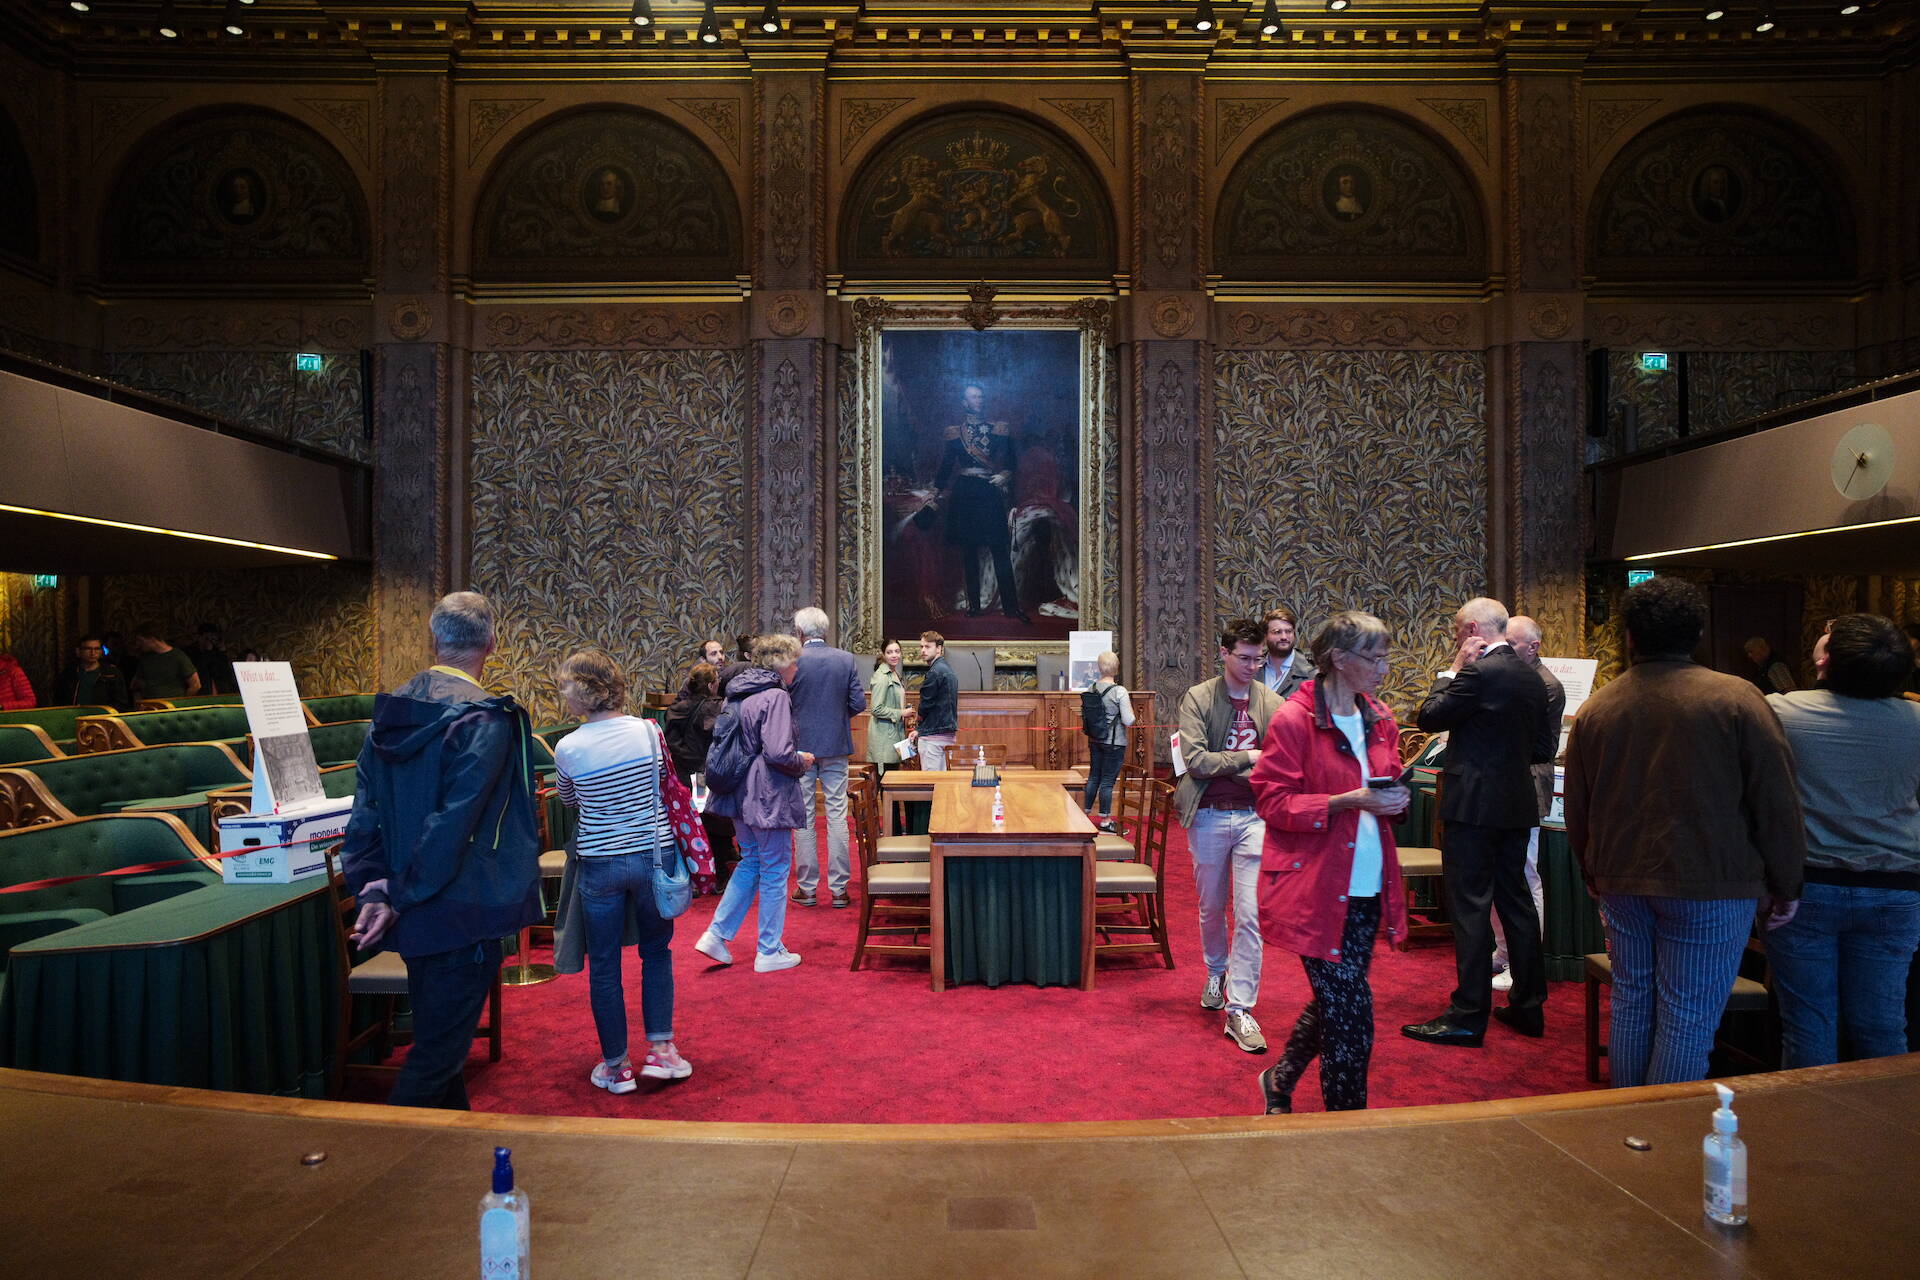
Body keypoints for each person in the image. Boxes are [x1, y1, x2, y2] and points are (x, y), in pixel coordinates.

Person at [1565, 576, 1805, 1087]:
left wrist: (1591, 869)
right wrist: (1786, 882)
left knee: (1632, 1003)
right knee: (1687, 1018)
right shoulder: (1737, 698)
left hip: (1621, 877)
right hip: (1712, 880)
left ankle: (1631, 1121)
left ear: (1629, 636)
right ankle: (1665, 1132)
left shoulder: (1598, 707)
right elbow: (1776, 802)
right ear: (1697, 633)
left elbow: (1578, 807)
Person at [337, 591, 543, 1109]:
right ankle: (383, 1160)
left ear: (435, 639)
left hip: (413, 908)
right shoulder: (484, 719)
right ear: (492, 643)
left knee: (441, 1052)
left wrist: (375, 890)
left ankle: (452, 1153)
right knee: (434, 1060)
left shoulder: (391, 712)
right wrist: (398, 893)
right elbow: (454, 824)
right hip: (461, 906)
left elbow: (365, 813)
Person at [1251, 611, 1412, 1113]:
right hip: (1314, 887)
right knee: (1353, 1016)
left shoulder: (1380, 718)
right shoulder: (1294, 719)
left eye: (1385, 657)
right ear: (1339, 659)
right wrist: (1346, 801)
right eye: (1375, 658)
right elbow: (1272, 802)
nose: (1384, 668)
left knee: (1338, 1002)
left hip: (1368, 883)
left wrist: (1394, 800)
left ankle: (1280, 1079)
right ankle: (1346, 1130)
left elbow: (1385, 784)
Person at [1765, 614, 1920, 1069]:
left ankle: (1810, 1117)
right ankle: (1890, 1116)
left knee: (1808, 1024)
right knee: (1883, 1025)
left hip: (1806, 886)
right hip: (1897, 887)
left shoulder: (1780, 712)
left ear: (1825, 661)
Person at [1403, 597, 1555, 1048]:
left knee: (1470, 907)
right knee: (1516, 903)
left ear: (1471, 630)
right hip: (1517, 804)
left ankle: (1468, 1016)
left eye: (1456, 632)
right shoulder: (1533, 678)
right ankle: (1528, 1007)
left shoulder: (1476, 673)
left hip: (1472, 805)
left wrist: (1452, 668)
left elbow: (1429, 716)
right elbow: (1542, 749)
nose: (1456, 639)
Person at [550, 650, 692, 1095]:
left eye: (565, 688)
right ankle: (662, 1051)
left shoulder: (568, 747)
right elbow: (663, 783)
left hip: (601, 861)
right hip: (655, 855)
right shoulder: (649, 731)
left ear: (581, 692)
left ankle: (616, 1067)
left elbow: (570, 801)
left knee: (605, 964)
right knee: (657, 952)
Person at [1175, 618, 1283, 1054]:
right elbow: (1196, 762)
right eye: (1244, 657)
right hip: (1209, 815)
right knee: (1211, 907)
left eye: (1259, 659)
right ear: (1223, 653)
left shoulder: (1272, 702)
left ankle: (1240, 1008)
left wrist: (1243, 764)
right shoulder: (1199, 697)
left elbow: (1280, 764)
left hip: (1255, 818)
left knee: (1251, 915)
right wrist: (1249, 757)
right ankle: (1216, 971)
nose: (1252, 666)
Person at [695, 633, 814, 972]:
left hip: (737, 790)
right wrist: (802, 761)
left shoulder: (738, 692)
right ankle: (769, 950)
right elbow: (778, 752)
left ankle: (716, 935)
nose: (797, 668)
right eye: (794, 661)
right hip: (766, 791)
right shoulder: (775, 695)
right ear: (781, 663)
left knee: (752, 861)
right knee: (775, 867)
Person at [1490, 615, 1565, 992]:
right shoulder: (1514, 676)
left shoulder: (1546, 685)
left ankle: (1523, 963)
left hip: (1529, 784)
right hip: (1506, 783)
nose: (1504, 648)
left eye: (1512, 643)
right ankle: (1504, 951)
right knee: (1499, 875)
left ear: (1533, 647)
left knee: (1524, 875)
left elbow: (1539, 746)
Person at [787, 607, 866, 909]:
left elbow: (782, 703)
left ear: (800, 633)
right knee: (837, 816)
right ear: (826, 631)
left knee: (804, 817)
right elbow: (858, 702)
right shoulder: (845, 659)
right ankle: (839, 890)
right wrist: (836, 719)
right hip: (836, 746)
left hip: (800, 749)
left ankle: (807, 889)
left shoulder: (793, 660)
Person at [933, 382, 1030, 624]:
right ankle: (974, 606)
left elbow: (1012, 462)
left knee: (999, 550)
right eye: (974, 397)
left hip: (989, 492)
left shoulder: (998, 430)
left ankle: (1011, 607)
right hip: (965, 494)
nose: (979, 400)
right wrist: (936, 489)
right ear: (964, 402)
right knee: (969, 551)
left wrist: (1004, 475)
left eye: (981, 396)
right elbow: (947, 465)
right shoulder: (954, 433)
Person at [664, 660, 736, 884]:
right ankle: (719, 875)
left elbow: (671, 743)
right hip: (705, 775)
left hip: (684, 774)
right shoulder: (716, 708)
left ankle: (694, 873)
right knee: (715, 822)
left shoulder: (676, 708)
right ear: (712, 684)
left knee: (692, 823)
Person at [1081, 650, 1135, 833]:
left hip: (1095, 739)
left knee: (1093, 777)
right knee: (1107, 781)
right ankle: (1105, 821)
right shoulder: (1120, 691)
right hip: (1114, 742)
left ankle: (1084, 816)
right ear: (1117, 668)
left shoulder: (1091, 689)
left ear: (1099, 668)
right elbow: (1128, 720)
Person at [912, 630, 958, 770]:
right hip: (945, 734)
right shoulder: (948, 670)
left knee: (931, 780)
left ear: (939, 648)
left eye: (927, 646)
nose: (923, 650)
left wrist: (918, 720)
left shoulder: (935, 672)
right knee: (943, 780)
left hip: (933, 738)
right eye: (921, 646)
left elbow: (925, 705)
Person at [866, 641, 909, 775]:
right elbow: (876, 709)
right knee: (886, 781)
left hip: (897, 735)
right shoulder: (882, 677)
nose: (894, 655)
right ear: (883, 655)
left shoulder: (895, 673)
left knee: (898, 778)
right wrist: (901, 712)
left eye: (897, 651)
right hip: (885, 739)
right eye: (889, 652)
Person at [129, 622, 201, 700]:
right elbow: (135, 685)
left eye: (140, 640)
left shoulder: (177, 656)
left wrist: (181, 702)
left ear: (151, 638)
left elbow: (195, 684)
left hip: (172, 705)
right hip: (150, 705)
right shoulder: (145, 658)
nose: (138, 644)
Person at [55, 635, 130, 710]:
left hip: (101, 715)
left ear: (101, 651)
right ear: (79, 651)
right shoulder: (69, 673)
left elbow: (121, 702)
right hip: (73, 714)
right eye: (88, 649)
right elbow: (60, 699)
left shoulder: (112, 674)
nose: (92, 653)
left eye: (96, 649)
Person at [1259, 607, 1316, 703]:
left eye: (1288, 631)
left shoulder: (1311, 674)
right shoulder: (1253, 669)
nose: (1284, 637)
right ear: (1265, 636)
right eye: (1277, 632)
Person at [189, 623, 235, 695]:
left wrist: (222, 652)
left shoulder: (216, 652)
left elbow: (226, 674)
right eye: (207, 638)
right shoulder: (191, 651)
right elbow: (198, 670)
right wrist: (208, 652)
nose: (209, 641)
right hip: (201, 693)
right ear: (200, 637)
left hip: (219, 692)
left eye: (212, 638)